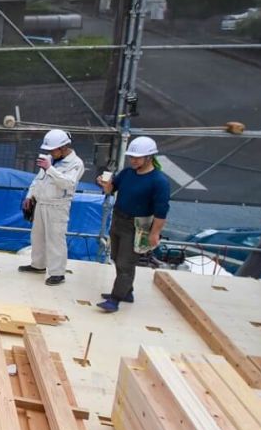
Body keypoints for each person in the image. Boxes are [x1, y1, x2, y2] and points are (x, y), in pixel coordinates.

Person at [96, 136, 170, 313]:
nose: (133, 160)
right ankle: (127, 292)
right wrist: (105, 184)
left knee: (125, 263)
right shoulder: (128, 173)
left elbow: (161, 211)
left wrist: (154, 233)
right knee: (116, 256)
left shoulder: (158, 181)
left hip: (137, 226)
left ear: (149, 157)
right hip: (118, 219)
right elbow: (111, 190)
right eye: (132, 157)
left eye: (137, 157)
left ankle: (115, 299)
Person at [19, 129, 84, 286]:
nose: (50, 152)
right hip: (41, 203)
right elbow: (38, 180)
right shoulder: (49, 159)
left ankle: (57, 273)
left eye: (52, 150)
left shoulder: (76, 163)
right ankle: (38, 264)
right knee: (38, 236)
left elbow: (68, 183)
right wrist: (30, 195)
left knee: (56, 239)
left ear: (63, 147)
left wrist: (50, 169)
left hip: (58, 206)